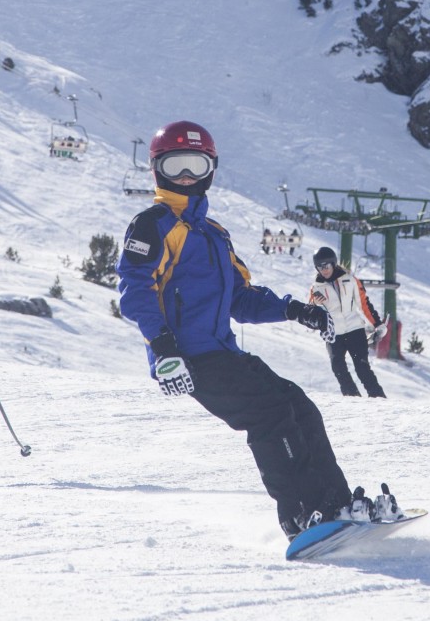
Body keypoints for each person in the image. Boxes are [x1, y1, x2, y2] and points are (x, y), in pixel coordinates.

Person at [117, 120, 398, 535]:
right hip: (187, 357)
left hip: (224, 353)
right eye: (176, 166)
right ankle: (300, 515)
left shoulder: (214, 235)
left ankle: (336, 506)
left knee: (299, 406)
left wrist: (294, 310)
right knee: (269, 416)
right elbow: (134, 290)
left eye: (195, 165)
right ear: (157, 168)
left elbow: (240, 297)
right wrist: (164, 349)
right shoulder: (154, 224)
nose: (187, 177)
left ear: (211, 168)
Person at [307, 246, 387, 398]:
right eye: (320, 267)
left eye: (327, 265)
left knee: (362, 368)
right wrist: (314, 305)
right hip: (333, 334)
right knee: (338, 368)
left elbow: (364, 303)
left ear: (333, 263)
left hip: (354, 330)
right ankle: (353, 399)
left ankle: (378, 398)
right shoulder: (316, 287)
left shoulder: (349, 280)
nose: (324, 270)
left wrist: (377, 324)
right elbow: (311, 316)